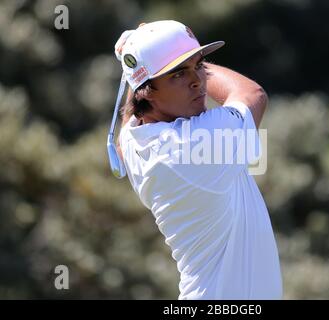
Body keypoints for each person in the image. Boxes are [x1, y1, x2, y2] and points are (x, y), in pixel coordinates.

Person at [113, 20, 283, 300]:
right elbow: (253, 94)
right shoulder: (192, 144)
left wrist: (138, 58)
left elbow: (125, 133)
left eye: (198, 66)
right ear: (146, 91)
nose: (197, 80)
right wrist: (139, 56)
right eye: (178, 74)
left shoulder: (136, 138)